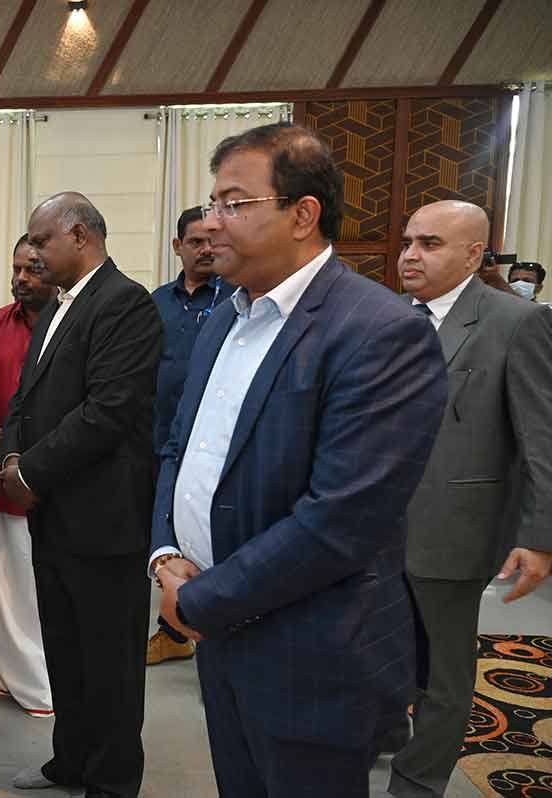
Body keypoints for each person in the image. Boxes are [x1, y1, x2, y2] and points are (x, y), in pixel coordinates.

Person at [150, 123, 448, 798]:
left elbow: (341, 520)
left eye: (234, 203)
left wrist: (198, 599)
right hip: (219, 635)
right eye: (213, 203)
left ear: (303, 214)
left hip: (312, 653)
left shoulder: (378, 332)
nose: (211, 221)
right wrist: (165, 553)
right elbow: (179, 447)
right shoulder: (225, 319)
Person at [388, 201, 552, 798]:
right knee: (384, 652)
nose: (410, 255)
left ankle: (417, 783)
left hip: (454, 529)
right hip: (376, 530)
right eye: (408, 241)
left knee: (443, 674)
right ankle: (385, 736)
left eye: (430, 244)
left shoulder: (517, 322)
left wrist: (539, 537)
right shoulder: (391, 316)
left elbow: (542, 436)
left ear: (473, 254)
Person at [2, 192, 161, 798]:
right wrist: (12, 455)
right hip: (56, 518)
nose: (34, 253)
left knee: (110, 667)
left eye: (42, 241)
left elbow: (108, 411)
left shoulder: (125, 303)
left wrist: (30, 472)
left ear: (79, 235)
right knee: (66, 655)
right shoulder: (56, 306)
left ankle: (111, 782)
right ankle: (69, 762)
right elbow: (25, 398)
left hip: (103, 521)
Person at [0, 234, 58, 716]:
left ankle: (43, 681)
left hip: (53, 476)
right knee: (0, 580)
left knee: (38, 585)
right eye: (16, 268)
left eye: (33, 269)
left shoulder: (73, 323)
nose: (21, 279)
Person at [145, 205, 235, 667]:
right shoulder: (157, 302)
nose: (205, 249)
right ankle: (174, 632)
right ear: (177, 246)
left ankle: (218, 642)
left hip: (218, 447)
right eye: (195, 242)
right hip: (162, 440)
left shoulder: (238, 300)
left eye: (211, 241)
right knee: (168, 540)